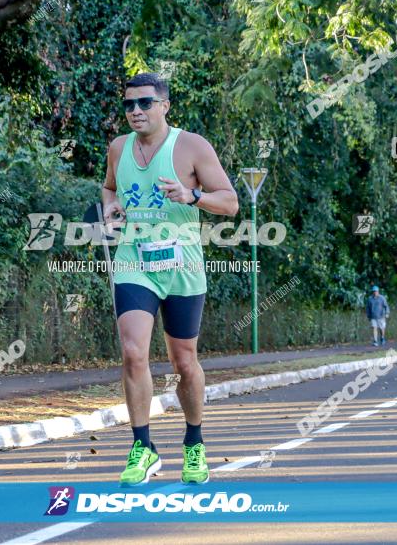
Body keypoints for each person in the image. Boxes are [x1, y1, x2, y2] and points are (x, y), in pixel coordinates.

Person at [102, 72, 238, 486]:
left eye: (144, 103)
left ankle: (194, 443)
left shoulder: (192, 146)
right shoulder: (118, 149)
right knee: (132, 353)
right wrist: (110, 209)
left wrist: (192, 195)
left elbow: (230, 204)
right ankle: (143, 449)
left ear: (165, 106)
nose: (135, 111)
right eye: (128, 105)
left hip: (182, 269)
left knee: (184, 363)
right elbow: (110, 189)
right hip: (134, 263)